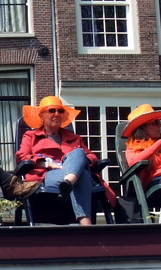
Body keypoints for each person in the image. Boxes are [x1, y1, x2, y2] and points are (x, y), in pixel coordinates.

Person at [17, 95, 113, 226]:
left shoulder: (74, 138)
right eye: (52, 111)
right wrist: (47, 163)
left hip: (72, 174)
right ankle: (87, 226)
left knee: (79, 153)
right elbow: (22, 157)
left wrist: (78, 163)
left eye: (60, 111)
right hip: (49, 175)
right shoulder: (31, 136)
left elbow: (92, 157)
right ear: (41, 115)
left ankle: (69, 181)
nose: (56, 114)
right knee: (82, 175)